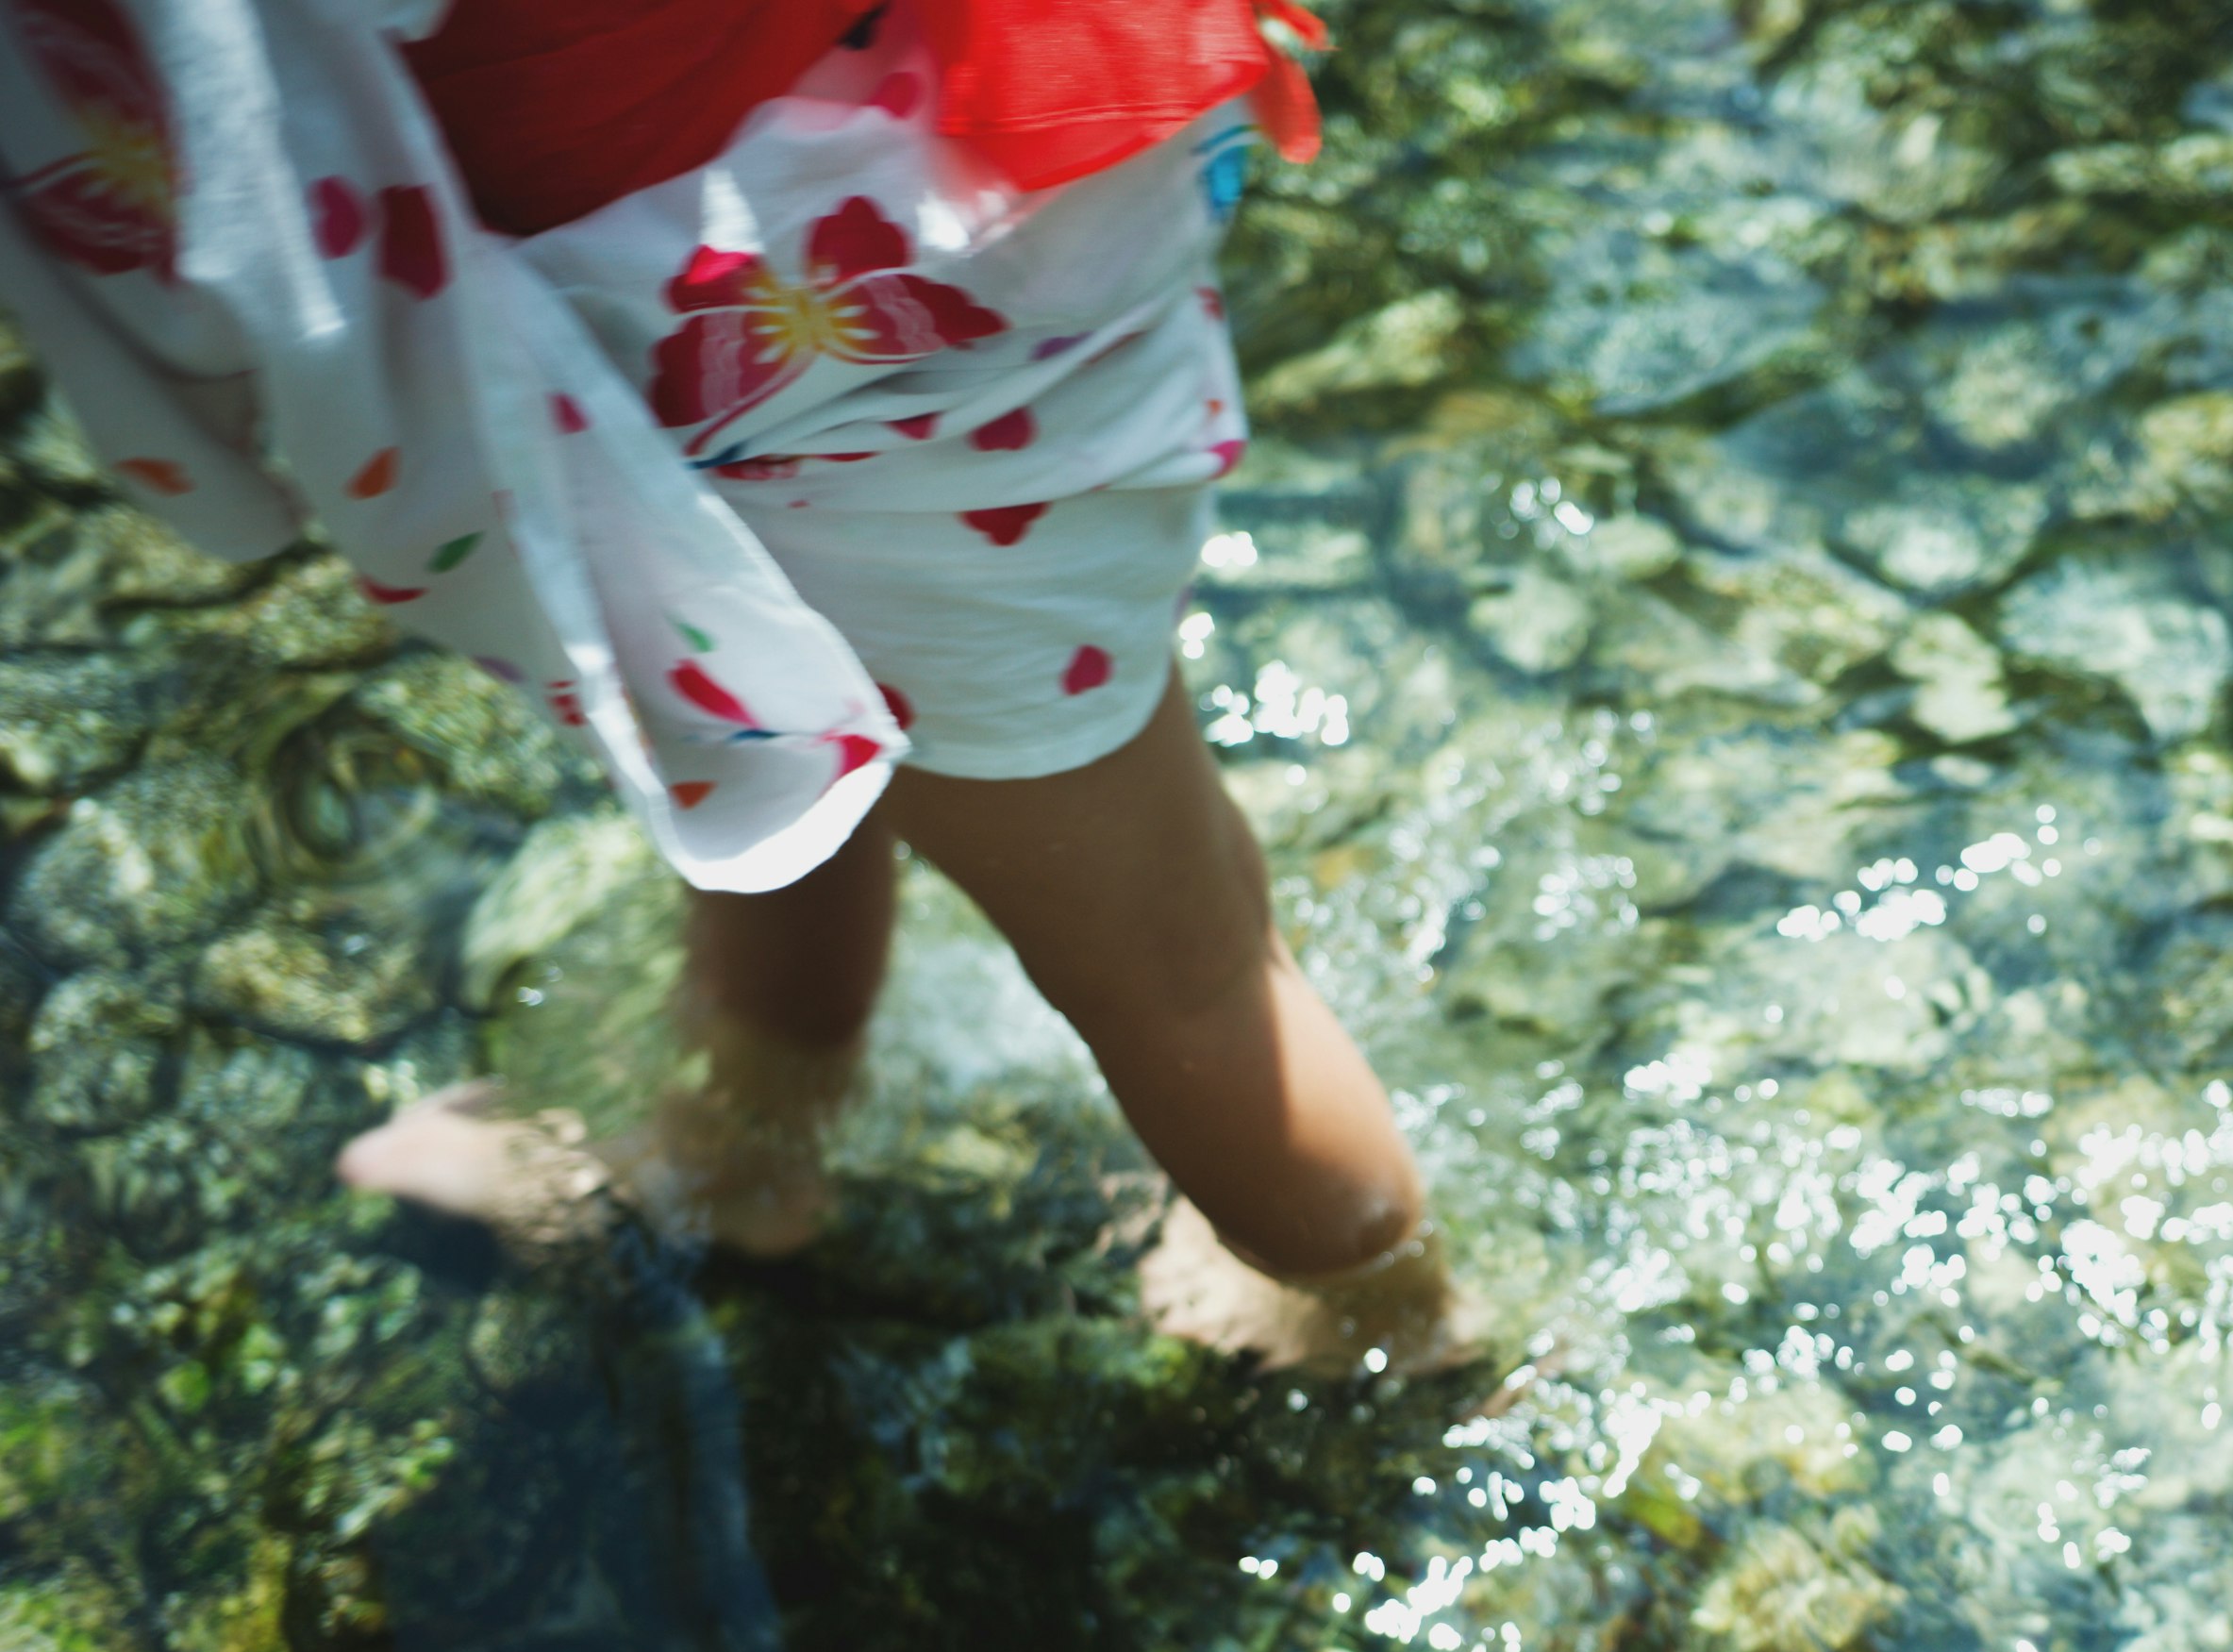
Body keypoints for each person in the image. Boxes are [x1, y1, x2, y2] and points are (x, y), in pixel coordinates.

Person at [0, 0, 1465, 1372]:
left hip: (893, 313)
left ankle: (1392, 1317)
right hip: (726, 299)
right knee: (746, 697)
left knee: (1177, 969)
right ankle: (751, 1135)